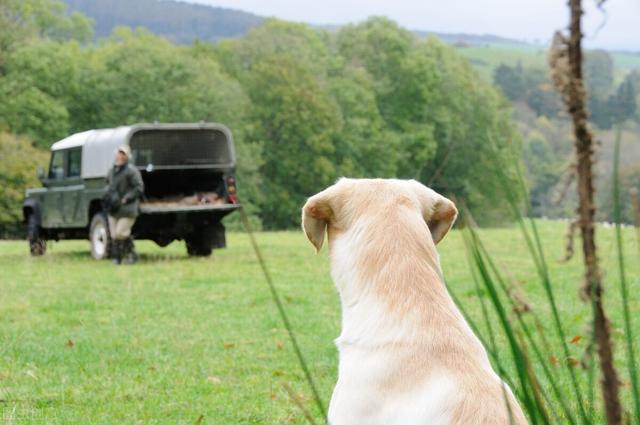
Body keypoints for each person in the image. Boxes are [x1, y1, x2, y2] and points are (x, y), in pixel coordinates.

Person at [105, 145, 144, 264]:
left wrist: (127, 198)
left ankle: (132, 254)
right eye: (119, 154)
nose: (120, 157)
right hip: (113, 207)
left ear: (127, 157)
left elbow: (139, 187)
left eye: (123, 154)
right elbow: (107, 184)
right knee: (113, 235)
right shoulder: (112, 171)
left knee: (121, 232)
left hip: (127, 208)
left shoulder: (131, 171)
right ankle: (117, 258)